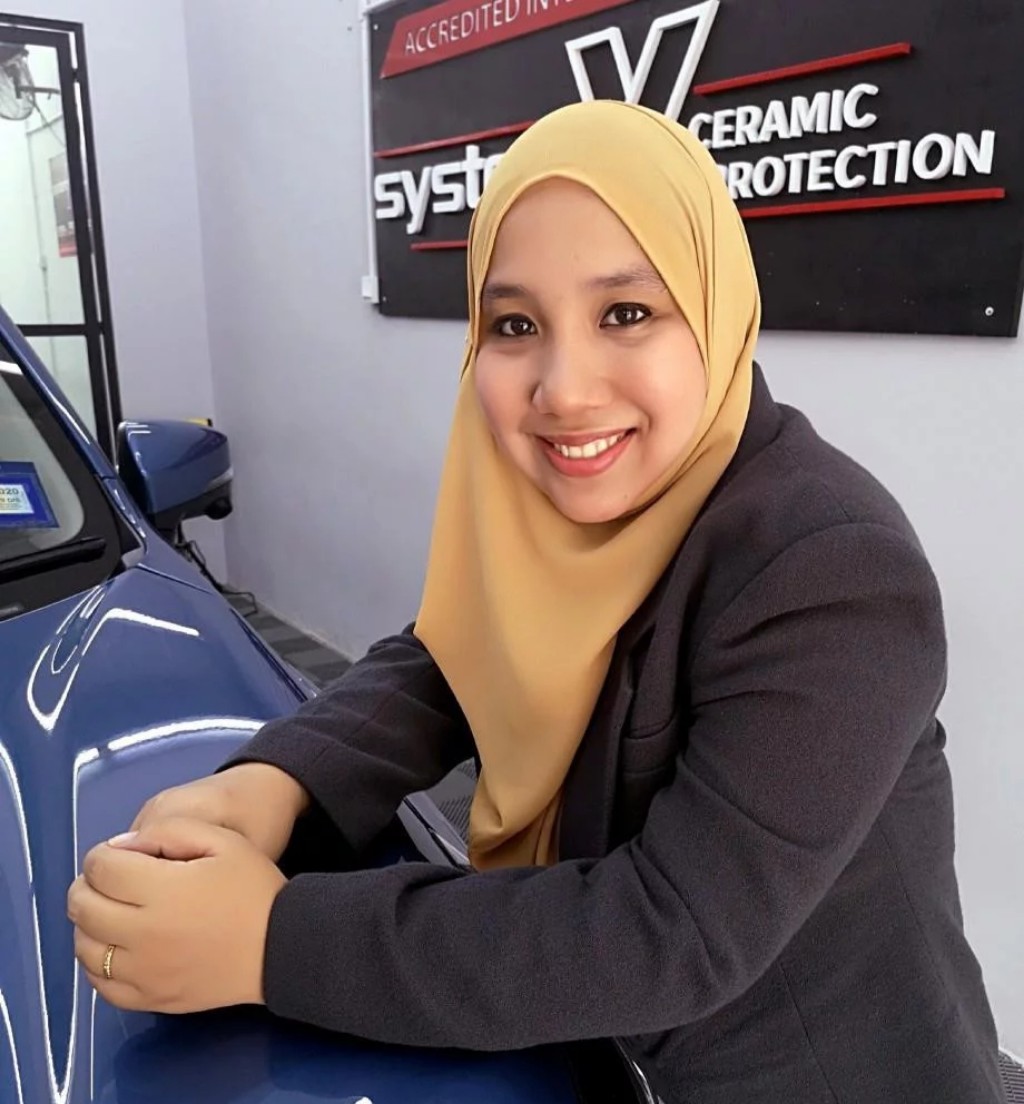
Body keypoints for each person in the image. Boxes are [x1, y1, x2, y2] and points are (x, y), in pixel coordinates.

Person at [66, 100, 1005, 1102]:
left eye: (626, 314)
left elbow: (672, 933)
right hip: (594, 1061)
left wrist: (269, 941)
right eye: (514, 325)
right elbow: (455, 657)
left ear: (716, 310)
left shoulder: (829, 567)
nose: (564, 388)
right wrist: (274, 782)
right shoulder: (574, 506)